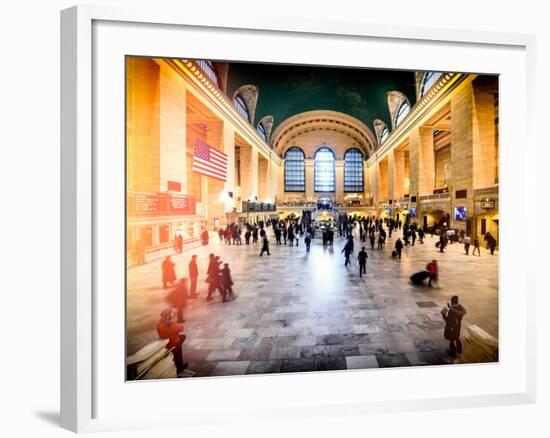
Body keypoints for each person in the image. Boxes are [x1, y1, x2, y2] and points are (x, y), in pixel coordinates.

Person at [156, 309, 188, 375]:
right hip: (173, 341)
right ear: (168, 316)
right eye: (170, 315)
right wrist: (174, 324)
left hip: (166, 342)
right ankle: (180, 367)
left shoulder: (159, 323)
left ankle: (176, 350)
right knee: (179, 348)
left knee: (182, 337)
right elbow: (181, 328)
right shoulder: (170, 324)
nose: (171, 316)